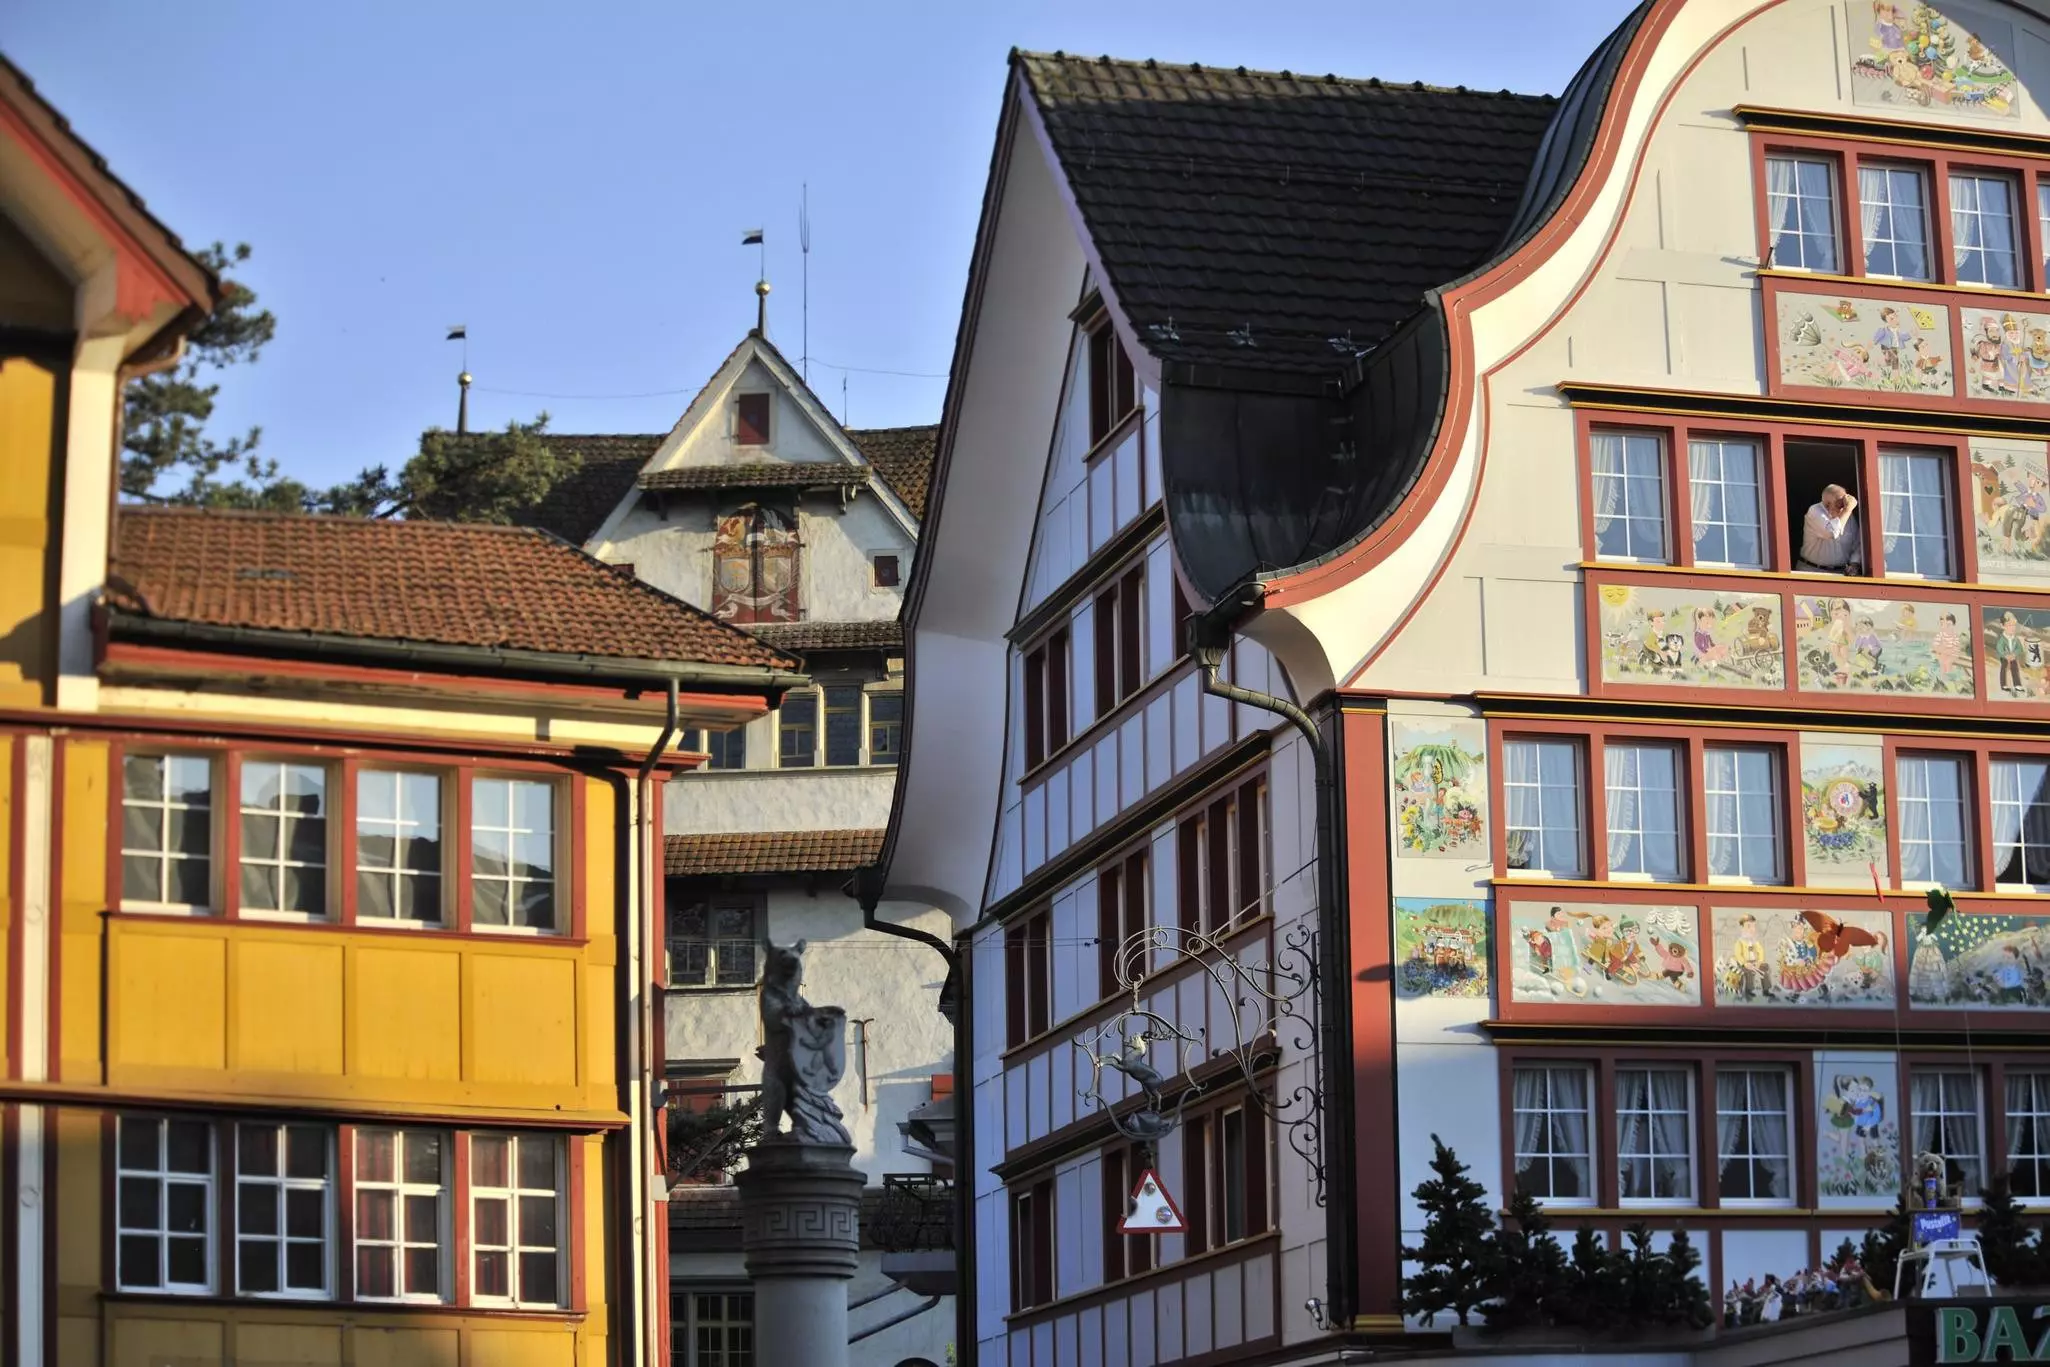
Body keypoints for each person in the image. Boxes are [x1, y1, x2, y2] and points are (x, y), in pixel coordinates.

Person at [1800, 484, 1863, 573]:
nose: (1843, 508)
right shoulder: (1815, 511)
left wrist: (1854, 563)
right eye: (1840, 505)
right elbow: (1831, 532)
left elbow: (1857, 544)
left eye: (1845, 504)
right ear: (1827, 505)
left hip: (1840, 572)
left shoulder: (1848, 514)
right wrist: (1848, 509)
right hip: (1812, 570)